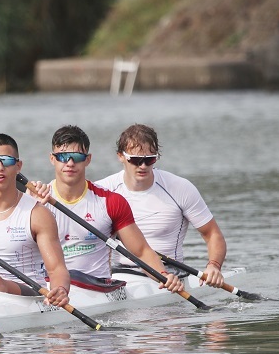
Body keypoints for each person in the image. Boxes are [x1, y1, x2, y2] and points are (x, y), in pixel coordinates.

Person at [31, 125, 183, 293]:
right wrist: (29, 205)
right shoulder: (34, 199)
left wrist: (164, 275)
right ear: (52, 159)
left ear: (88, 159)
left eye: (76, 156)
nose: (70, 163)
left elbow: (140, 252)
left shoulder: (111, 202)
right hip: (49, 286)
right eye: (63, 157)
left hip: (95, 288)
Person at [96, 124, 227, 288]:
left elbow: (212, 234)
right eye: (136, 160)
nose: (143, 166)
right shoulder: (103, 191)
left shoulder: (179, 188)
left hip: (171, 275)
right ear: (120, 156)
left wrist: (213, 266)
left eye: (149, 159)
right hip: (122, 274)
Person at [0, 133, 70, 308]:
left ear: (18, 166)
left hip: (28, 294)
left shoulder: (37, 214)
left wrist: (60, 289)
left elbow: (56, 269)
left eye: (6, 161)